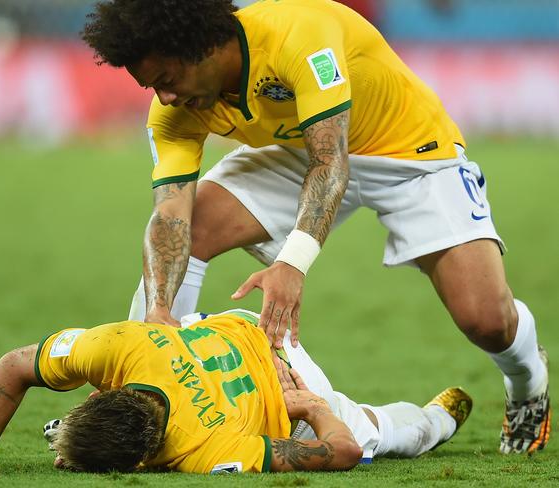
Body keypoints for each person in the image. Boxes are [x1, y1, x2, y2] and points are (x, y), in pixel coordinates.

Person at [81, 0, 550, 454]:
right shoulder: (173, 111)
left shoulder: (296, 35)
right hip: (296, 150)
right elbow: (170, 215)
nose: (165, 97)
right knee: (194, 229)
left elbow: (332, 161)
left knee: (486, 320)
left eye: (167, 79)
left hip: (408, 151)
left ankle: (527, 381)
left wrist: (292, 263)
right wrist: (157, 315)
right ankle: (145, 396)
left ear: (204, 45)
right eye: (153, 88)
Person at [0, 310, 472, 474]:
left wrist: (309, 404)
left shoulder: (207, 451)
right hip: (230, 323)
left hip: (291, 378)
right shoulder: (120, 346)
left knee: (378, 436)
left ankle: (434, 421)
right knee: (154, 314)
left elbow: (342, 452)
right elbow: (13, 365)